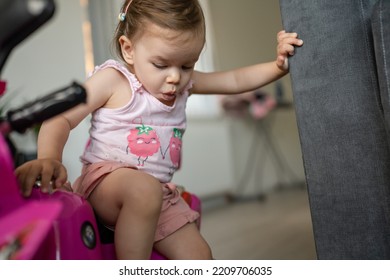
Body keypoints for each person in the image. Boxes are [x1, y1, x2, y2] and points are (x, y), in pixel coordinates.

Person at [15, 0, 303, 260]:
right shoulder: (115, 80)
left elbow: (234, 79)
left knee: (199, 256)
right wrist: (49, 158)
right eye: (161, 64)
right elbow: (59, 119)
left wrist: (277, 66)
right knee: (144, 190)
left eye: (187, 65)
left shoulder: (183, 84)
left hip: (157, 193)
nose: (176, 77)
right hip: (105, 184)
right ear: (129, 50)